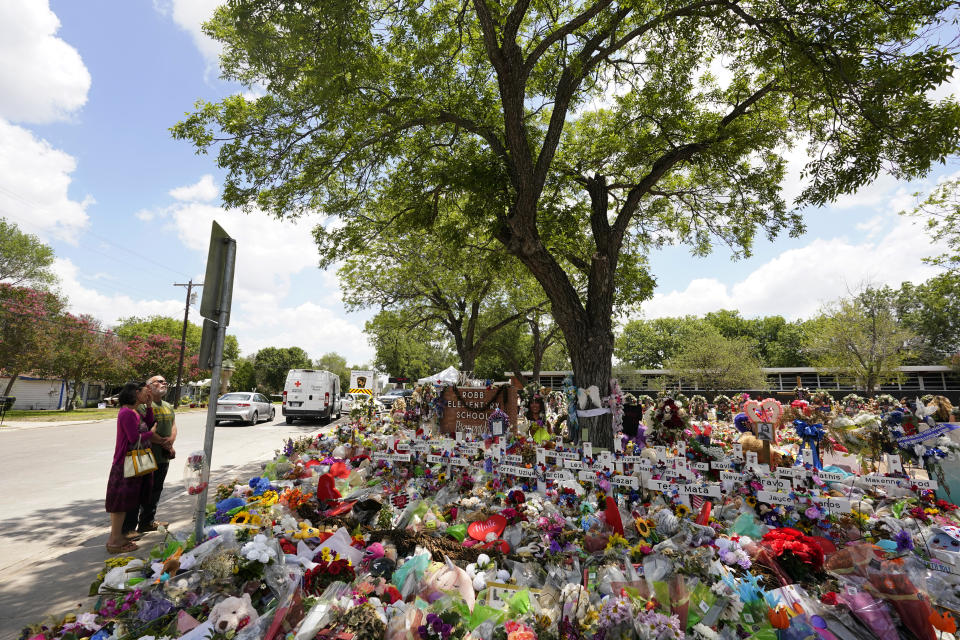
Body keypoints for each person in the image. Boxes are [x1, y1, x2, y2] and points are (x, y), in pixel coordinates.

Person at [105, 381, 157, 553]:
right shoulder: (127, 413)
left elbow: (148, 423)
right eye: (145, 392)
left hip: (131, 463)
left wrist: (149, 406)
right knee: (120, 503)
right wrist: (152, 433)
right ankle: (114, 540)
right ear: (136, 393)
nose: (147, 394)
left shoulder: (135, 411)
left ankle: (118, 537)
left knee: (126, 502)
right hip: (124, 463)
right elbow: (134, 438)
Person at [124, 375, 176, 535]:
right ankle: (129, 529)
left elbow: (174, 425)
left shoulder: (168, 405)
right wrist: (163, 442)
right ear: (147, 387)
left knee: (155, 491)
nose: (164, 383)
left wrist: (170, 442)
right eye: (159, 381)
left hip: (163, 456)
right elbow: (143, 429)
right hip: (144, 456)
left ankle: (147, 521)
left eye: (165, 381)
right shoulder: (141, 406)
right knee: (138, 492)